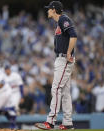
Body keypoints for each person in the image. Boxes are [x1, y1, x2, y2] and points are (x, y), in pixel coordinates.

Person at [35, 1, 77, 130]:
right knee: (64, 91)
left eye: (49, 9)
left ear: (54, 10)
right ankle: (68, 122)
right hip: (61, 58)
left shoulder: (63, 19)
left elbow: (73, 35)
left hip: (64, 58)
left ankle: (51, 121)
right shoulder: (59, 23)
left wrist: (69, 52)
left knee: (56, 88)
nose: (47, 11)